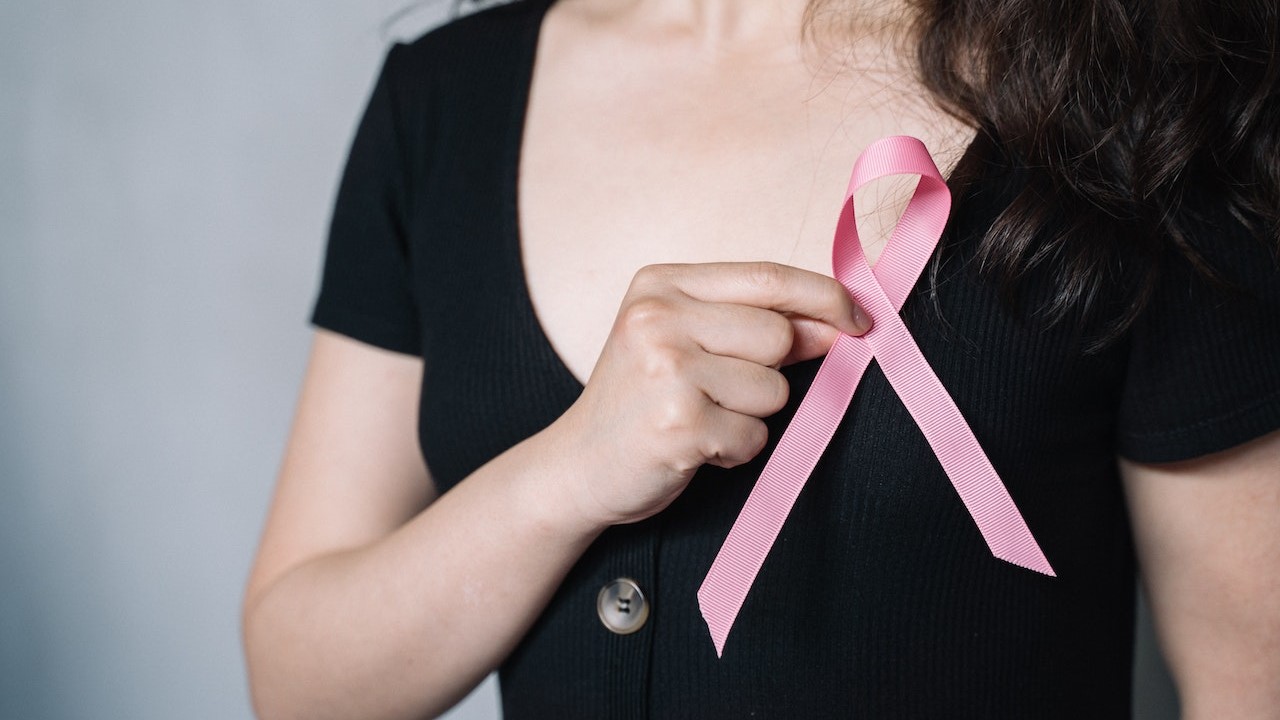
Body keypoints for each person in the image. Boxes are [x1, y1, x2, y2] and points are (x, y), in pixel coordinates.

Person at [241, 0, 1280, 717]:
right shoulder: (439, 104)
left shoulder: (1143, 98)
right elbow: (298, 679)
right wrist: (561, 477)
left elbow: (1251, 681)